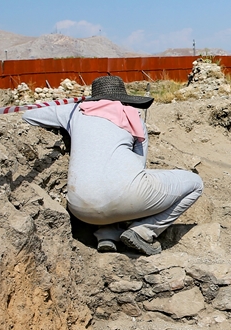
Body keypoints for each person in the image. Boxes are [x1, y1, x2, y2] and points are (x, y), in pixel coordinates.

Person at [22, 75, 203, 256]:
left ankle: (107, 234)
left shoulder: (75, 112)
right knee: (194, 184)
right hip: (125, 198)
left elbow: (28, 114)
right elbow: (139, 164)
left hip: (79, 209)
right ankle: (144, 232)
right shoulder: (132, 117)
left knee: (103, 180)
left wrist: (70, 110)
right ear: (123, 98)